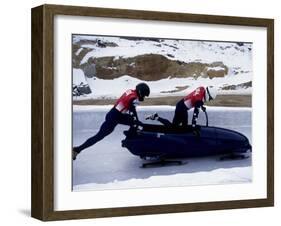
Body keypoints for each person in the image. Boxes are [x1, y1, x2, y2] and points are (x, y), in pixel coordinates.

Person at [72, 83, 150, 160]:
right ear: (140, 92)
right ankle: (77, 150)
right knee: (98, 136)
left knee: (135, 123)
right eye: (144, 95)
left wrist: (135, 121)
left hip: (115, 114)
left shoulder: (130, 91)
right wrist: (136, 121)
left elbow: (128, 107)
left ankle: (130, 138)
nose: (143, 97)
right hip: (115, 117)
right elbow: (133, 113)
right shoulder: (134, 98)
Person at [146, 86, 217, 128]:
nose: (210, 100)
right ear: (208, 94)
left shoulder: (201, 88)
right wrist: (193, 126)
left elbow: (196, 98)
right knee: (178, 128)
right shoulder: (199, 100)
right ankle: (156, 117)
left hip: (181, 106)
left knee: (176, 126)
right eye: (210, 98)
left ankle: (156, 117)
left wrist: (201, 105)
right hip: (181, 109)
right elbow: (195, 114)